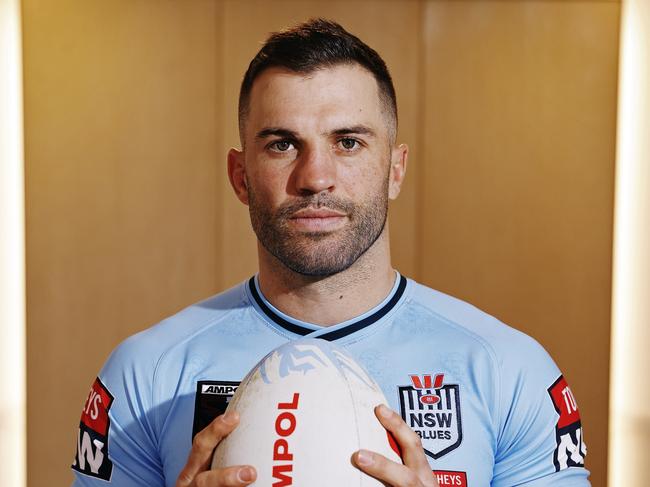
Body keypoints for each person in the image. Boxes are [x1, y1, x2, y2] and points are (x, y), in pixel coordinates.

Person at [71, 19, 590, 487]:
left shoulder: (509, 371)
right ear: (239, 175)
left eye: (348, 142)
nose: (315, 177)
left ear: (395, 168)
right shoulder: (146, 373)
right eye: (281, 144)